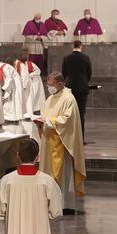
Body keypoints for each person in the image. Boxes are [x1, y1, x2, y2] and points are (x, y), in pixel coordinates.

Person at [36, 73, 86, 215]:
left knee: (63, 175)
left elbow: (67, 120)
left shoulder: (68, 98)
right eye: (48, 84)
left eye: (51, 84)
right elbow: (44, 115)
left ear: (60, 83)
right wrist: (40, 122)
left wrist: (47, 121)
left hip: (62, 143)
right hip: (48, 143)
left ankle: (65, 204)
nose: (49, 87)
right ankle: (50, 203)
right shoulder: (50, 99)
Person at [61, 39, 93, 136]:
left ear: (72, 46)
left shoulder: (66, 58)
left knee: (69, 113)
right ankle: (80, 137)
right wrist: (84, 82)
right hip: (82, 88)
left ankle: (69, 136)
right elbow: (89, 73)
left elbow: (64, 73)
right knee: (81, 113)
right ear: (81, 46)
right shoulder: (86, 58)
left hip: (70, 87)